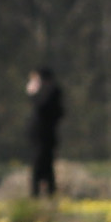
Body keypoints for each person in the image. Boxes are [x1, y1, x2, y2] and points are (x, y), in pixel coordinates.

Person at [25, 66, 66, 200]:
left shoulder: (51, 92)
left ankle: (37, 195)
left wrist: (33, 93)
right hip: (41, 137)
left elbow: (42, 108)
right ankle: (48, 195)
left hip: (44, 137)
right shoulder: (51, 92)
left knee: (40, 165)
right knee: (45, 167)